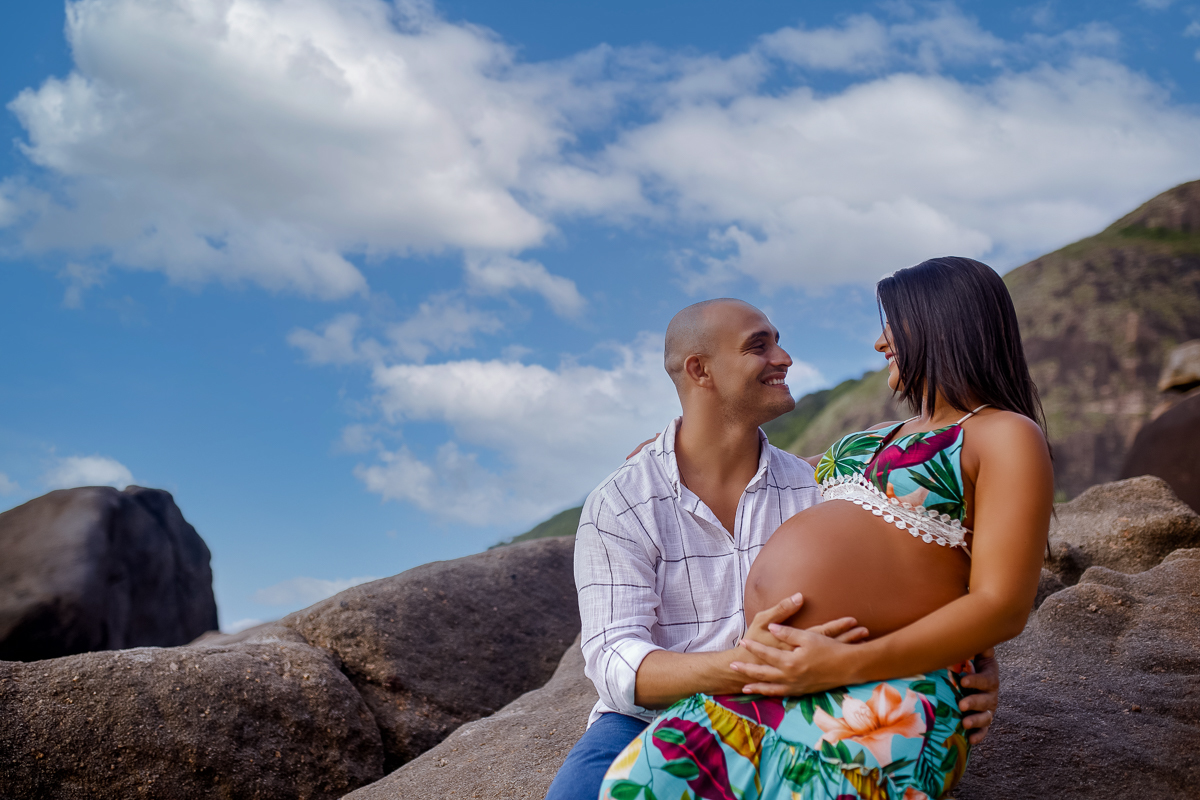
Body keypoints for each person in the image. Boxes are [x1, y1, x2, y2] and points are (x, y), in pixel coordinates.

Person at [598, 257, 1052, 800]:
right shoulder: (876, 437)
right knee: (641, 781)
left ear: (943, 321)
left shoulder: (1003, 434)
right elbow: (753, 462)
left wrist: (850, 662)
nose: (881, 343)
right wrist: (677, 449)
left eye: (894, 323)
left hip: (880, 688)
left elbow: (1002, 604)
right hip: (773, 682)